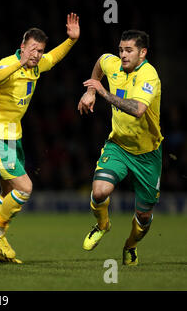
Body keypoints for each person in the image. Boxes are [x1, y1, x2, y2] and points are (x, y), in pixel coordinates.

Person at [0, 13, 80, 263]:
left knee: (8, 190)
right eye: (33, 49)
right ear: (22, 47)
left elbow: (53, 59)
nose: (37, 55)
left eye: (40, 51)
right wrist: (19, 63)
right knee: (25, 188)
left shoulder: (38, 64)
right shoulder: (8, 64)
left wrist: (71, 40)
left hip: (14, 137)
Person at [78, 30, 162, 265]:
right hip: (119, 145)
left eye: (129, 51)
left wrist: (102, 92)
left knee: (144, 216)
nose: (123, 55)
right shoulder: (111, 62)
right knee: (99, 191)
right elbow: (99, 65)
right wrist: (90, 91)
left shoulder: (149, 75)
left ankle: (130, 245)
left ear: (142, 53)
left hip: (148, 154)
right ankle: (103, 225)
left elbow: (138, 110)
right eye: (121, 50)